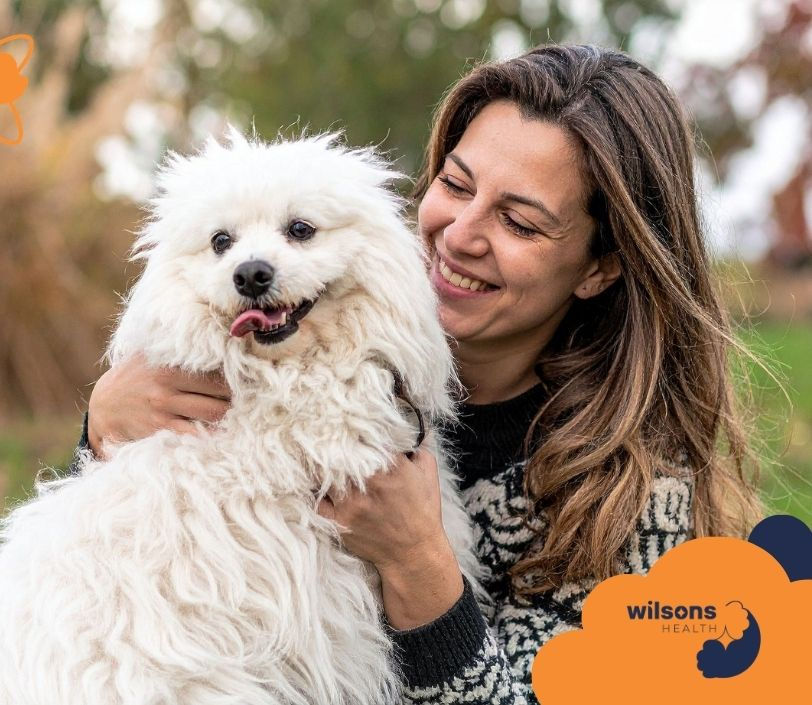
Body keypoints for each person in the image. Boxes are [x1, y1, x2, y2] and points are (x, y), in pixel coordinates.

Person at [70, 45, 765, 703]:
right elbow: (128, 602)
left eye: (519, 222)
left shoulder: (633, 502)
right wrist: (106, 434)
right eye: (454, 184)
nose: (459, 233)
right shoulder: (281, 346)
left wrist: (418, 563)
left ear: (599, 267)